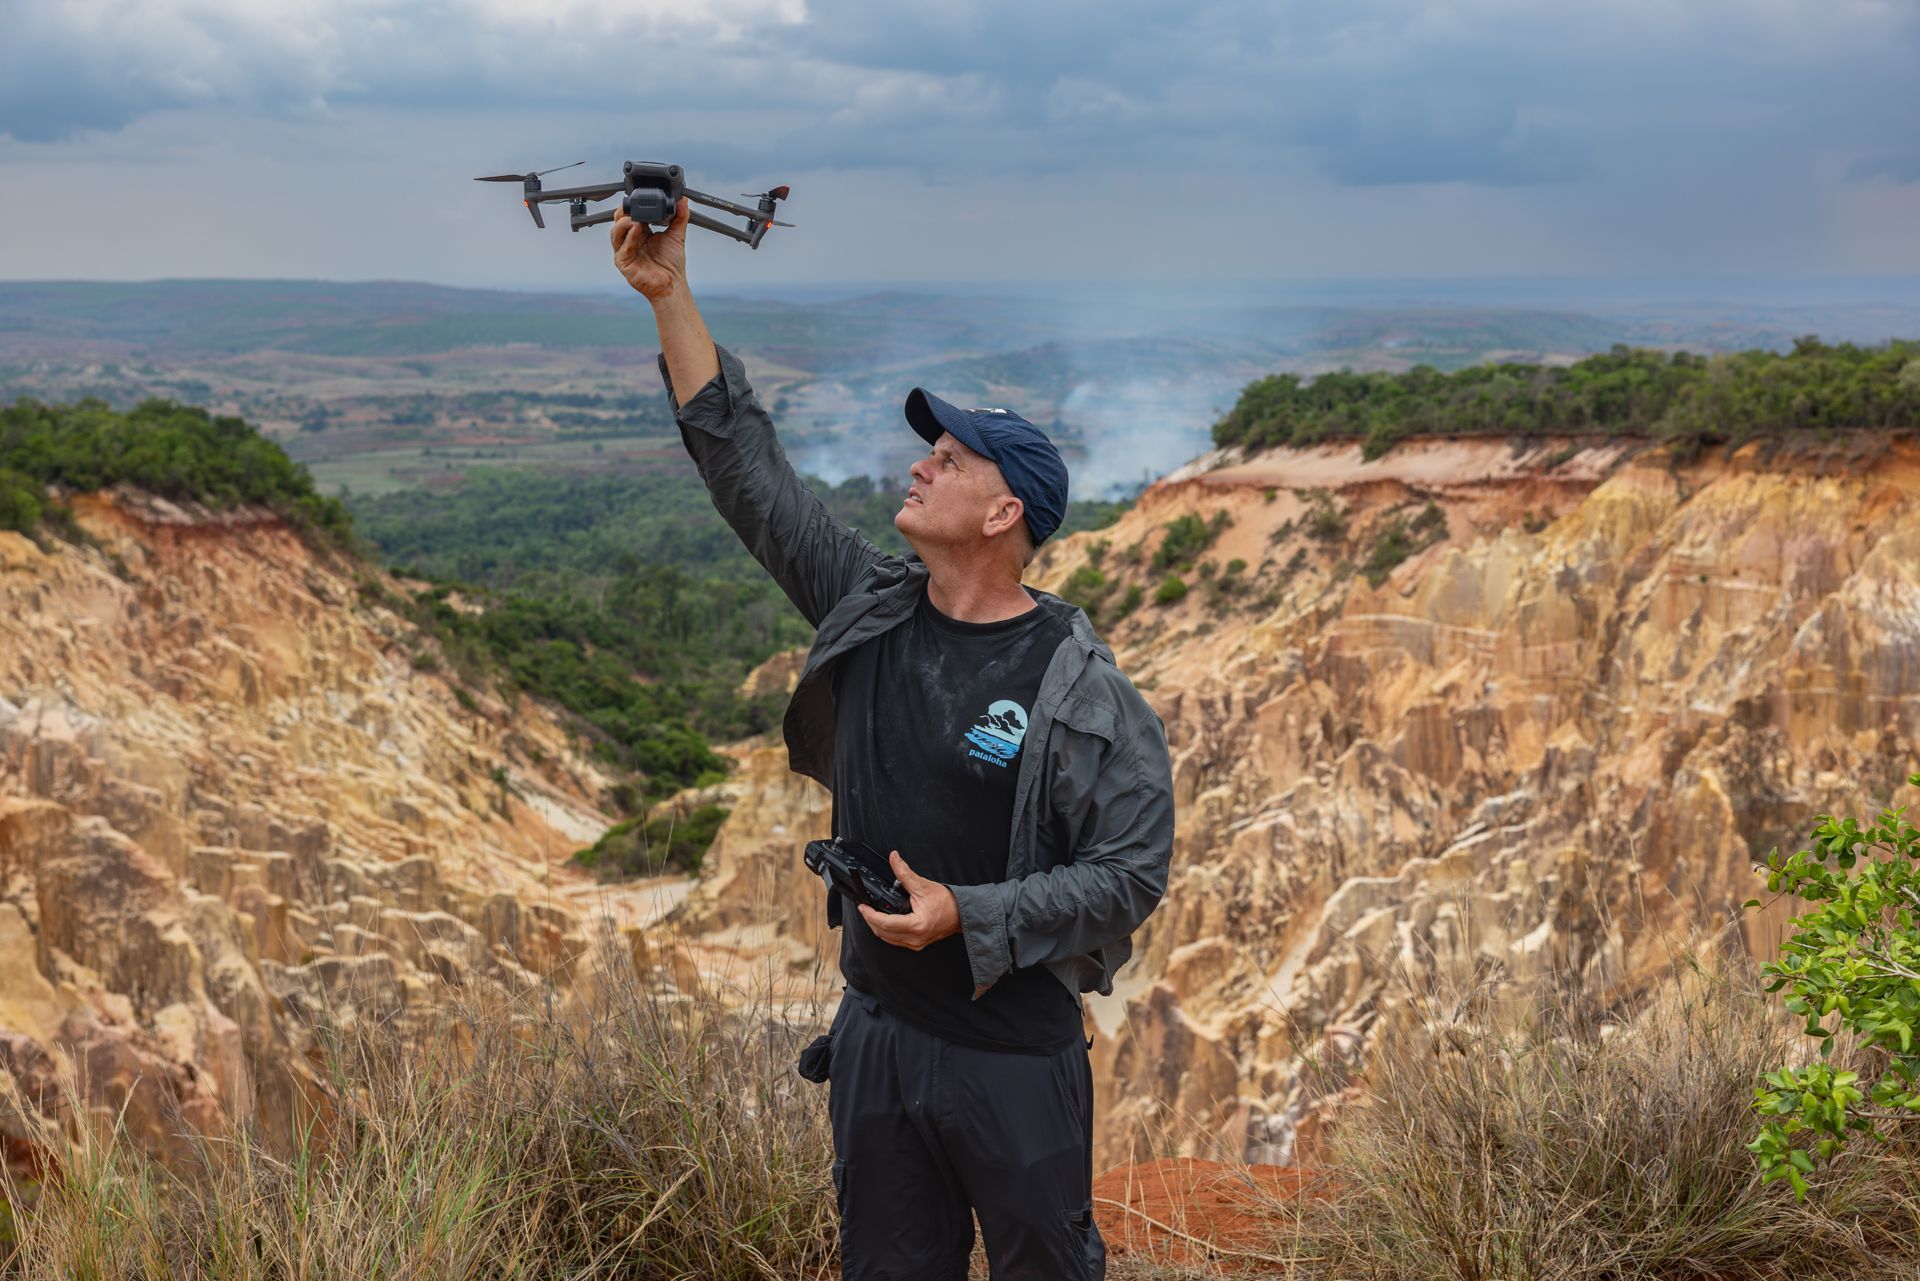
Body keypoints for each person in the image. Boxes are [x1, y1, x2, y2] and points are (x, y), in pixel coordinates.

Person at [613, 197, 1175, 1281]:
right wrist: (669, 293)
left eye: (951, 458)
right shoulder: (868, 605)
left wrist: (973, 914)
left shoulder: (1080, 688)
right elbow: (751, 477)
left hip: (1012, 1063)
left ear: (1005, 512)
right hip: (876, 1040)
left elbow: (1131, 873)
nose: (921, 466)